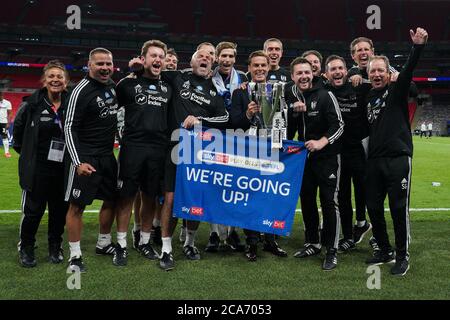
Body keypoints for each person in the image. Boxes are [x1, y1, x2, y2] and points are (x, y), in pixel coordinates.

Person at [130, 48, 229, 270]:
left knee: (194, 200)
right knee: (171, 199)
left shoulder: (216, 90)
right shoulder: (177, 77)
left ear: (212, 65)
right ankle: (166, 248)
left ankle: (190, 243)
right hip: (174, 149)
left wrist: (200, 119)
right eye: (200, 56)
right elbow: (148, 71)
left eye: (208, 58)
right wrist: (135, 65)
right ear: (191, 61)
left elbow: (224, 118)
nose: (204, 59)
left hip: (201, 152)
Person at [364, 27, 428, 276]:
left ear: (388, 73)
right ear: (369, 74)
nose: (377, 74)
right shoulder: (368, 95)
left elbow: (409, 71)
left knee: (399, 208)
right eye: (373, 71)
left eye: (381, 70)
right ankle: (384, 249)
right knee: (374, 208)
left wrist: (418, 46)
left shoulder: (397, 90)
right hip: (375, 161)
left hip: (398, 159)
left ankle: (402, 256)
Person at [113, 40, 172, 266]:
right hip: (132, 148)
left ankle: (144, 241)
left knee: (149, 197)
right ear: (143, 59)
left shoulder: (168, 87)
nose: (157, 60)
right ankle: (121, 244)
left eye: (161, 56)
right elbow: (110, 104)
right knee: (126, 197)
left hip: (158, 149)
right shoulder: (128, 84)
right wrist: (129, 73)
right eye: (153, 56)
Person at [286, 57, 344, 271]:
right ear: (292, 77)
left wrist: (321, 142)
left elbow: (339, 125)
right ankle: (313, 242)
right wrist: (293, 111)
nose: (303, 76)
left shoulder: (326, 95)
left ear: (313, 74)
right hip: (304, 160)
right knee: (307, 200)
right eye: (299, 73)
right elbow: (289, 129)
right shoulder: (293, 98)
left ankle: (332, 250)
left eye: (307, 72)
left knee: (329, 203)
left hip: (327, 158)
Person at [230, 50, 288, 261]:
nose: (260, 69)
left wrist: (280, 144)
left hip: (272, 149)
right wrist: (247, 114)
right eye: (256, 65)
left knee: (271, 195)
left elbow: (283, 118)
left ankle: (271, 240)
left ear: (268, 67)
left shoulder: (279, 90)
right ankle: (252, 242)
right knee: (251, 196)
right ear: (250, 69)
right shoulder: (240, 93)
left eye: (263, 65)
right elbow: (234, 123)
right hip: (249, 151)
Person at [64, 48, 119, 272]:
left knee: (112, 200)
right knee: (77, 206)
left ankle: (103, 243)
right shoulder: (80, 90)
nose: (105, 68)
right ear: (89, 65)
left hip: (107, 156)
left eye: (108, 63)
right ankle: (75, 255)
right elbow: (69, 127)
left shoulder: (113, 87)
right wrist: (77, 162)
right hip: (85, 157)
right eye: (100, 64)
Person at [13, 60, 70, 267]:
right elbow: (17, 136)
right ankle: (26, 247)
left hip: (63, 169)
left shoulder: (72, 104)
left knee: (59, 212)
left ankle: (55, 246)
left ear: (66, 81)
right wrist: (28, 156)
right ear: (44, 81)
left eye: (59, 77)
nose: (55, 80)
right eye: (51, 76)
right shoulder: (31, 105)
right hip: (37, 169)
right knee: (33, 212)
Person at [324, 55, 372, 252]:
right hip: (336, 152)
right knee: (342, 195)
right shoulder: (324, 91)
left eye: (340, 68)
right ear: (326, 74)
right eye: (333, 69)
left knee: (363, 190)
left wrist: (358, 75)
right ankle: (348, 235)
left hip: (358, 150)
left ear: (346, 70)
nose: (337, 72)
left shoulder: (358, 86)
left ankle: (363, 224)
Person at [205, 41, 247, 253]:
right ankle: (214, 232)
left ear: (235, 58)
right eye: (224, 56)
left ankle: (232, 231)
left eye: (231, 56)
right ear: (217, 57)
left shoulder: (243, 79)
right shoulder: (207, 78)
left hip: (237, 136)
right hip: (214, 135)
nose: (227, 60)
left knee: (234, 185)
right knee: (213, 184)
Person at [0, 91, 12, 158]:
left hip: (3, 123)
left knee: (4, 136)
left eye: (1, 96)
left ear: (2, 95)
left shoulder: (7, 103)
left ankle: (7, 153)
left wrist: (8, 123)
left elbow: (10, 113)